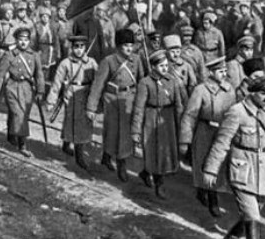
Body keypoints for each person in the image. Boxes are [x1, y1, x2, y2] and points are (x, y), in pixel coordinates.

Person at [203, 76, 265, 239]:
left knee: (253, 212)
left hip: (264, 170)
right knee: (253, 216)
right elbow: (222, 142)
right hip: (242, 170)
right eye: (263, 94)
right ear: (252, 93)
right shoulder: (237, 111)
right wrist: (211, 169)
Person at [180, 56, 236, 217]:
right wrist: (185, 139)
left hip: (223, 132)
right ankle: (207, 195)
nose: (223, 74)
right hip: (204, 131)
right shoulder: (201, 90)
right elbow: (190, 115)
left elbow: (234, 113)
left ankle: (212, 197)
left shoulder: (229, 90)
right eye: (220, 71)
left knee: (218, 165)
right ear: (211, 72)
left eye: (225, 71)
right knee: (203, 164)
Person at [86, 28, 145, 182]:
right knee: (111, 130)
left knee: (125, 133)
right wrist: (91, 107)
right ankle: (107, 155)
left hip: (129, 100)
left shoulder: (137, 60)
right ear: (118, 46)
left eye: (131, 45)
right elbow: (98, 85)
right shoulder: (109, 61)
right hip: (112, 99)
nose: (129, 49)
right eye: (125, 45)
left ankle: (121, 164)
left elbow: (141, 81)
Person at [131, 49, 183, 199]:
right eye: (161, 66)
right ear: (153, 66)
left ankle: (146, 173)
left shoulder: (171, 81)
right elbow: (139, 107)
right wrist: (135, 131)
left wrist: (181, 123)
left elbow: (178, 103)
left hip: (167, 120)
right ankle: (159, 185)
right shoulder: (145, 83)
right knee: (154, 151)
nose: (165, 69)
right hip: (151, 119)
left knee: (166, 152)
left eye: (166, 65)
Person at [44, 35, 98, 169]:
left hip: (86, 95)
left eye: (81, 47)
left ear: (85, 48)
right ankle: (72, 150)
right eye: (76, 47)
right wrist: (51, 101)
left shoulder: (91, 62)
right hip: (71, 94)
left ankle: (74, 150)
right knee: (71, 121)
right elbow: (56, 83)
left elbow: (98, 81)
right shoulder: (65, 63)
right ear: (72, 47)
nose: (79, 50)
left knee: (83, 125)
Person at [0, 27, 45, 157]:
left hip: (27, 88)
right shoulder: (9, 55)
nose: (23, 42)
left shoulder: (34, 55)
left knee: (22, 114)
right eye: (20, 39)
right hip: (12, 87)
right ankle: (22, 145)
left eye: (26, 40)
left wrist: (40, 91)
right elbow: (0, 74)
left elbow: (39, 74)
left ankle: (11, 134)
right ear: (16, 40)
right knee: (19, 114)